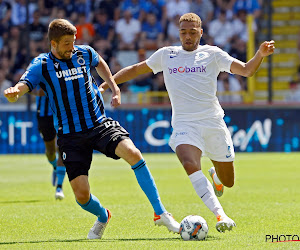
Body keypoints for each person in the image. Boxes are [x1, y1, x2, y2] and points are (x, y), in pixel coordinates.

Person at [3, 18, 179, 239]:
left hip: (98, 124)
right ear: (54, 44)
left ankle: (160, 212)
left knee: (134, 153)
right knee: (82, 196)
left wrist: (114, 88)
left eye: (73, 41)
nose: (72, 47)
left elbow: (100, 63)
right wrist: (15, 92)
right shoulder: (42, 64)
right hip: (70, 135)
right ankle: (103, 216)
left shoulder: (83, 53)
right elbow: (24, 83)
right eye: (67, 43)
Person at [99, 13, 275, 233]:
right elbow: (135, 69)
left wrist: (260, 53)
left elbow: (247, 70)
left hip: (213, 123)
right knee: (189, 163)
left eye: (193, 32)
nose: (188, 36)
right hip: (184, 125)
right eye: (184, 32)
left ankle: (216, 177)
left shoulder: (213, 53)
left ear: (201, 32)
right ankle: (221, 215)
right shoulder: (167, 55)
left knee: (228, 182)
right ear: (178, 32)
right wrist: (109, 84)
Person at [35, 89, 66, 200]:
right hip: (44, 116)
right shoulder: (36, 71)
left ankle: (59, 187)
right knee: (51, 152)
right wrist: (37, 91)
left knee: (63, 149)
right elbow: (28, 88)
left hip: (63, 113)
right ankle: (55, 167)